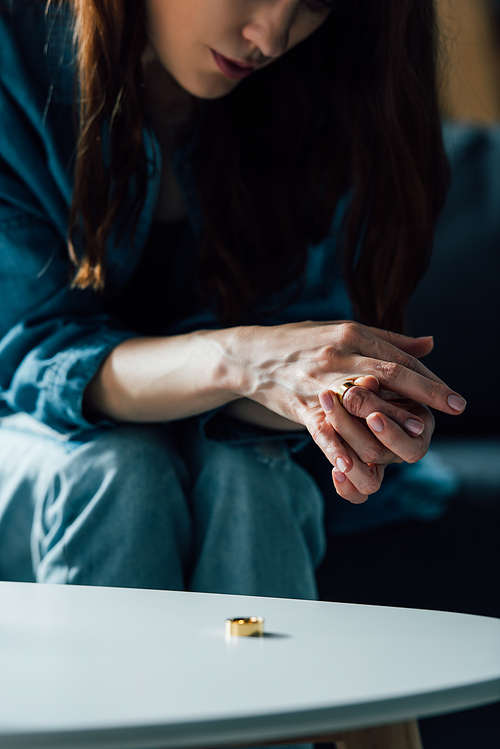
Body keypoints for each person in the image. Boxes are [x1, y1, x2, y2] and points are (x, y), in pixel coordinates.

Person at [0, 0, 466, 595]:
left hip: (224, 442)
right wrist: (242, 359)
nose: (270, 37)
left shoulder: (332, 82)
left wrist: (339, 400)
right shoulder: (15, 47)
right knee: (117, 470)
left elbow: (285, 365)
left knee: (250, 474)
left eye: (316, 3)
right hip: (25, 433)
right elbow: (34, 357)